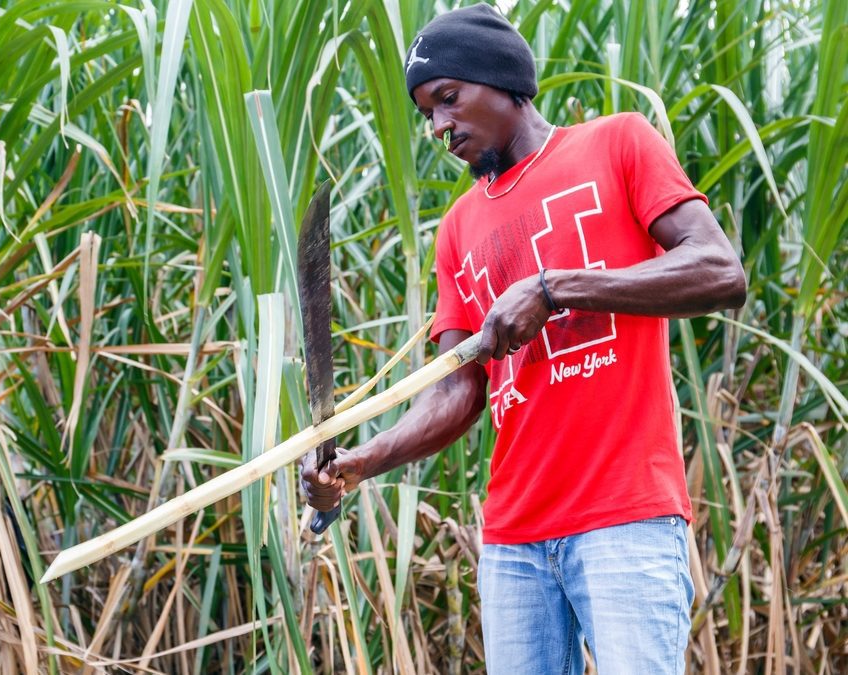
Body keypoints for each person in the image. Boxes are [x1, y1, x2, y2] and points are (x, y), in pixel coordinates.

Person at [301, 4, 746, 674]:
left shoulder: (618, 144)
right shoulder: (456, 229)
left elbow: (719, 270)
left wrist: (555, 288)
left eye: (448, 99)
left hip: (624, 516)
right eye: (426, 113)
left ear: (505, 79)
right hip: (513, 539)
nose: (438, 127)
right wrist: (358, 462)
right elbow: (456, 392)